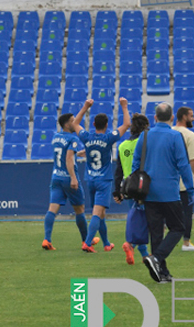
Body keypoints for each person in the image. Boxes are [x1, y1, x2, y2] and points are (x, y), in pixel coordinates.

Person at [135, 103, 194, 283]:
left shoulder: (144, 136)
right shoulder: (175, 136)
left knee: (156, 233)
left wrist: (136, 189)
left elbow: (136, 163)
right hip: (169, 192)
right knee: (178, 228)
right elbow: (183, 164)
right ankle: (156, 258)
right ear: (171, 119)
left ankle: (162, 272)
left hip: (149, 192)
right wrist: (190, 188)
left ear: (155, 118)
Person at [72, 97, 131, 253]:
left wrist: (85, 107)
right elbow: (126, 125)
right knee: (97, 213)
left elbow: (75, 124)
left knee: (101, 213)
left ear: (93, 125)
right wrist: (124, 106)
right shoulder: (108, 138)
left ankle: (106, 243)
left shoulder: (87, 137)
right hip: (104, 180)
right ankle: (87, 242)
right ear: (106, 125)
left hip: (90, 179)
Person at [42, 113, 89, 250]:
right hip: (68, 177)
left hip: (56, 176)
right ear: (67, 124)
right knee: (79, 209)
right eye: (73, 121)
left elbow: (63, 155)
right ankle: (86, 241)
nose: (75, 123)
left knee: (52, 209)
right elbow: (68, 158)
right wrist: (73, 178)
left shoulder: (56, 137)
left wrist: (77, 153)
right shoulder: (73, 138)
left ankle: (47, 239)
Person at [113, 113, 151, 265]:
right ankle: (131, 245)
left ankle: (144, 255)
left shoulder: (122, 146)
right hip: (144, 186)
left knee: (137, 221)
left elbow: (119, 171)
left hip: (129, 188)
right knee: (150, 221)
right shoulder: (144, 144)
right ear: (144, 127)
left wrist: (117, 191)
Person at [173, 106, 194, 252]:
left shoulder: (169, 132)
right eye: (191, 116)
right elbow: (193, 160)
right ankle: (186, 243)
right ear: (184, 117)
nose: (193, 118)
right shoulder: (190, 135)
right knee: (187, 212)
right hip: (184, 182)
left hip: (169, 181)